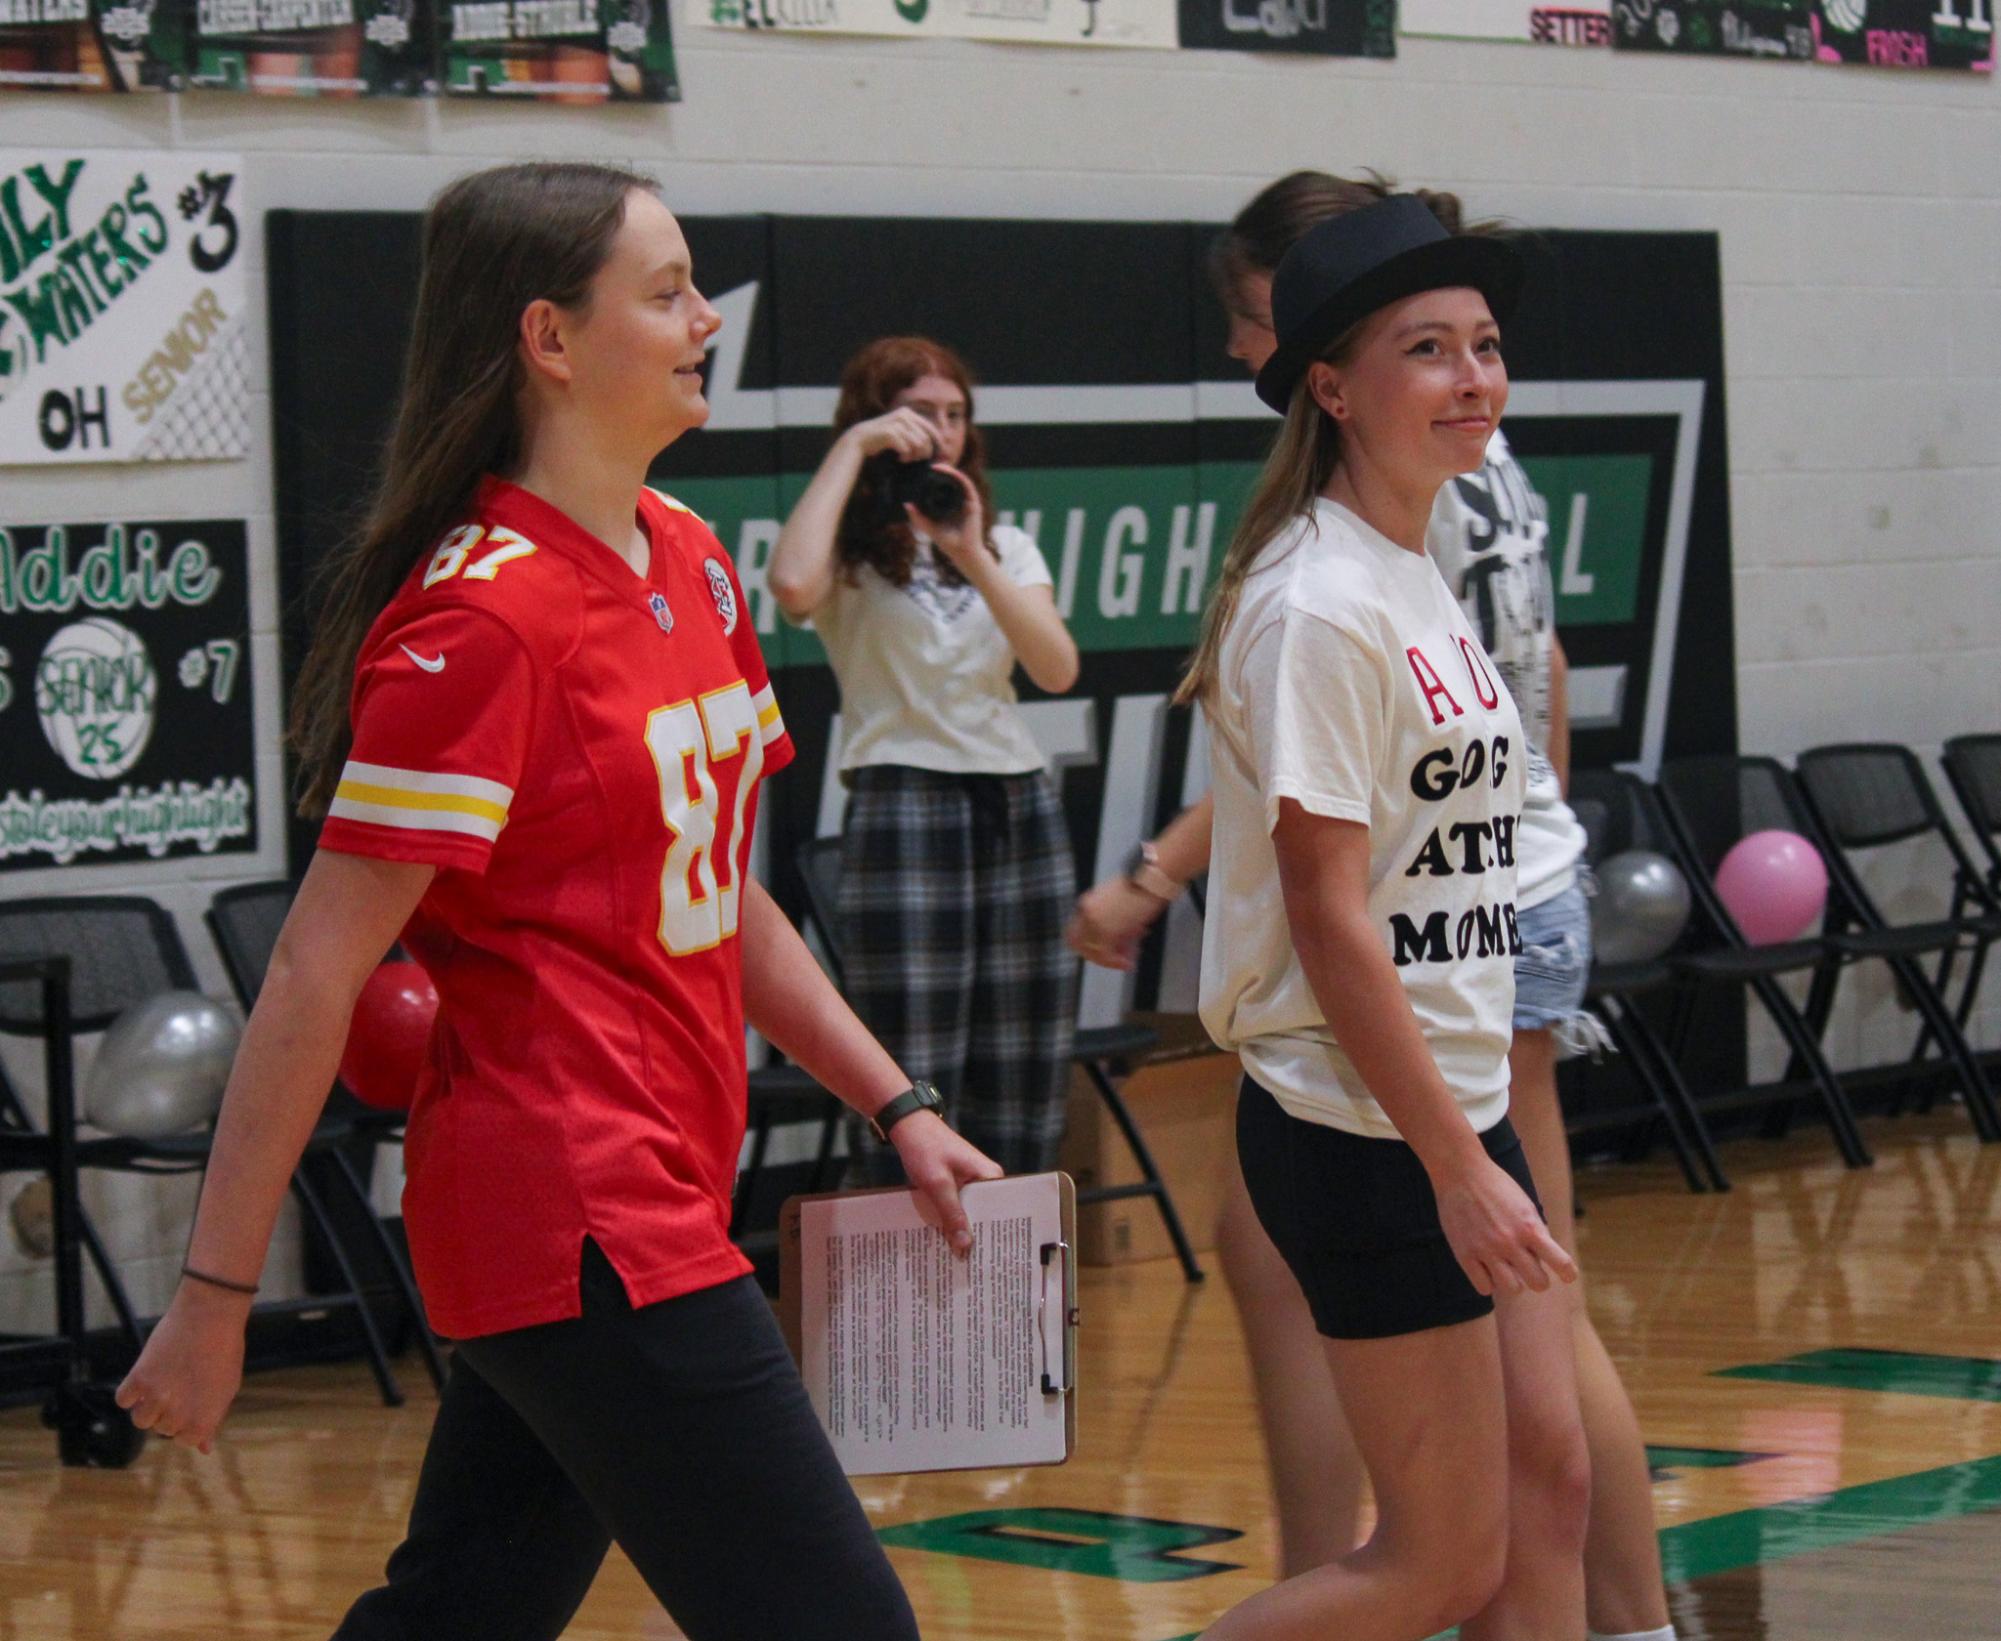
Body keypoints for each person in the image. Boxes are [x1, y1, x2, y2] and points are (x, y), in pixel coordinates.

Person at [113, 162, 1000, 1641]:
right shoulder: (481, 620)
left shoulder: (694, 561)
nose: (706, 316)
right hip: (577, 1217)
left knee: (461, 1614)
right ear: (549, 337)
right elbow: (316, 974)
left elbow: (726, 903)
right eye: (664, 293)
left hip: (656, 1191)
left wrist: (895, 1102)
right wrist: (213, 1296)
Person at [1071, 172, 1674, 1641]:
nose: (1474, 377)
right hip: (1370, 1127)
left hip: (1440, 1107)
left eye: (1483, 343)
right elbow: (1333, 918)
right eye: (1428, 347)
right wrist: (1456, 1165)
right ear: (1331, 387)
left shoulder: (1414, 570)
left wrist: (1469, 1143)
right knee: (1434, 1566)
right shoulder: (1317, 601)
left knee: (1513, 1514)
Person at [769, 338, 1081, 1181]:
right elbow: (791, 586)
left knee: (1025, 1070)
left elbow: (1056, 667)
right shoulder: (848, 551)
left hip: (1018, 802)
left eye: (955, 414)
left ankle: (1016, 1301)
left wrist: (970, 548)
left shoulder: (1005, 547)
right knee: (912, 1073)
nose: (941, 431)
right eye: (920, 412)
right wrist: (855, 448)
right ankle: (903, 1306)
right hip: (903, 800)